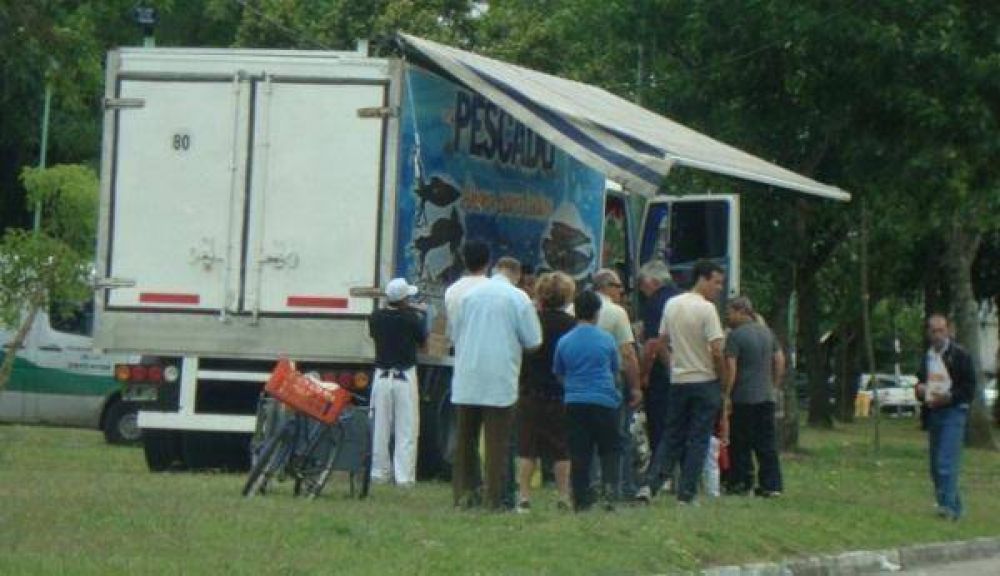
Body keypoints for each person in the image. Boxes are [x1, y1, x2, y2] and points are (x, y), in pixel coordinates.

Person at [451, 256, 542, 510]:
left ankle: (465, 495)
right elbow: (533, 340)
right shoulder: (518, 298)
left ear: (495, 270)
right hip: (499, 378)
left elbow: (454, 333)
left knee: (465, 441)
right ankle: (495, 498)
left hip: (467, 376)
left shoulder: (468, 296)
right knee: (497, 443)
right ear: (518, 275)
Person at [637, 259, 726, 504]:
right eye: (716, 282)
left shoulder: (672, 305)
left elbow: (660, 342)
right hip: (704, 379)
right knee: (698, 437)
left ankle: (651, 483)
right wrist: (722, 377)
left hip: (678, 380)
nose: (718, 288)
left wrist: (674, 364)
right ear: (703, 279)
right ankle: (686, 493)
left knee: (671, 435)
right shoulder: (707, 309)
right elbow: (717, 349)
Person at [554, 290, 621, 511]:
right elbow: (614, 369)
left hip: (575, 401)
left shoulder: (564, 341)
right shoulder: (607, 339)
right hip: (604, 400)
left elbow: (559, 372)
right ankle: (609, 493)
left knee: (579, 452)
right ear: (597, 313)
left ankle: (582, 500)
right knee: (609, 450)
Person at [516, 272, 576, 512]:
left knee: (527, 446)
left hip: (531, 389)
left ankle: (523, 495)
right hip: (561, 392)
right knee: (562, 448)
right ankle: (562, 495)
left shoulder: (532, 320)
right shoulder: (572, 325)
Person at [367, 278, 428, 486]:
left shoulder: (375, 318)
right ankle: (404, 476)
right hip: (405, 375)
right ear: (403, 300)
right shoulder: (412, 319)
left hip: (381, 375)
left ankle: (378, 472)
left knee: (380, 427)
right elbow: (423, 343)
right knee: (407, 428)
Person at [915, 314, 975, 521]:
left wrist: (949, 397)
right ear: (928, 333)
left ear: (948, 331)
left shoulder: (960, 355)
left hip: (954, 412)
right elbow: (921, 382)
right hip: (934, 412)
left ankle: (946, 508)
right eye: (933, 331)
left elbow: (969, 388)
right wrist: (920, 390)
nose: (937, 335)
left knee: (945, 462)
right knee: (935, 466)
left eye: (941, 330)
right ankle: (956, 507)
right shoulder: (928, 356)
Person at [723, 296, 785, 497]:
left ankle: (741, 482)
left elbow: (731, 367)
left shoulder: (736, 336)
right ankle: (771, 484)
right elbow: (779, 360)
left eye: (730, 312)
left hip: (743, 397)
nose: (727, 317)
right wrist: (773, 385)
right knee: (766, 443)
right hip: (766, 396)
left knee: (740, 443)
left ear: (741, 311)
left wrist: (727, 394)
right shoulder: (768, 333)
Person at [591, 268, 642, 498]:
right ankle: (619, 486)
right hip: (610, 379)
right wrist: (636, 386)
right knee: (617, 435)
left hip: (580, 380)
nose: (622, 291)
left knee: (587, 437)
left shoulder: (574, 309)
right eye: (619, 286)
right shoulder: (616, 312)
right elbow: (628, 352)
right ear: (607, 287)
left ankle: (590, 483)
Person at [636, 261, 681, 468]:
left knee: (659, 422)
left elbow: (654, 343)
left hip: (662, 374)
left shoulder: (655, 303)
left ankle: (660, 469)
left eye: (642, 284)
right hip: (689, 371)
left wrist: (643, 374)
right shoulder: (682, 298)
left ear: (652, 282)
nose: (641, 290)